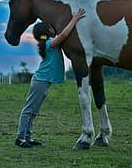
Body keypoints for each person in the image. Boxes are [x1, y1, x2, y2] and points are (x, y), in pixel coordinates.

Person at [15, 8, 85, 148]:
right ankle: (20, 138)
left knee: (33, 111)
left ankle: (27, 137)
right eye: (50, 27)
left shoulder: (49, 43)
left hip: (44, 81)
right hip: (40, 81)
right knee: (29, 110)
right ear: (47, 32)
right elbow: (64, 34)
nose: (53, 27)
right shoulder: (49, 43)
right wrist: (75, 18)